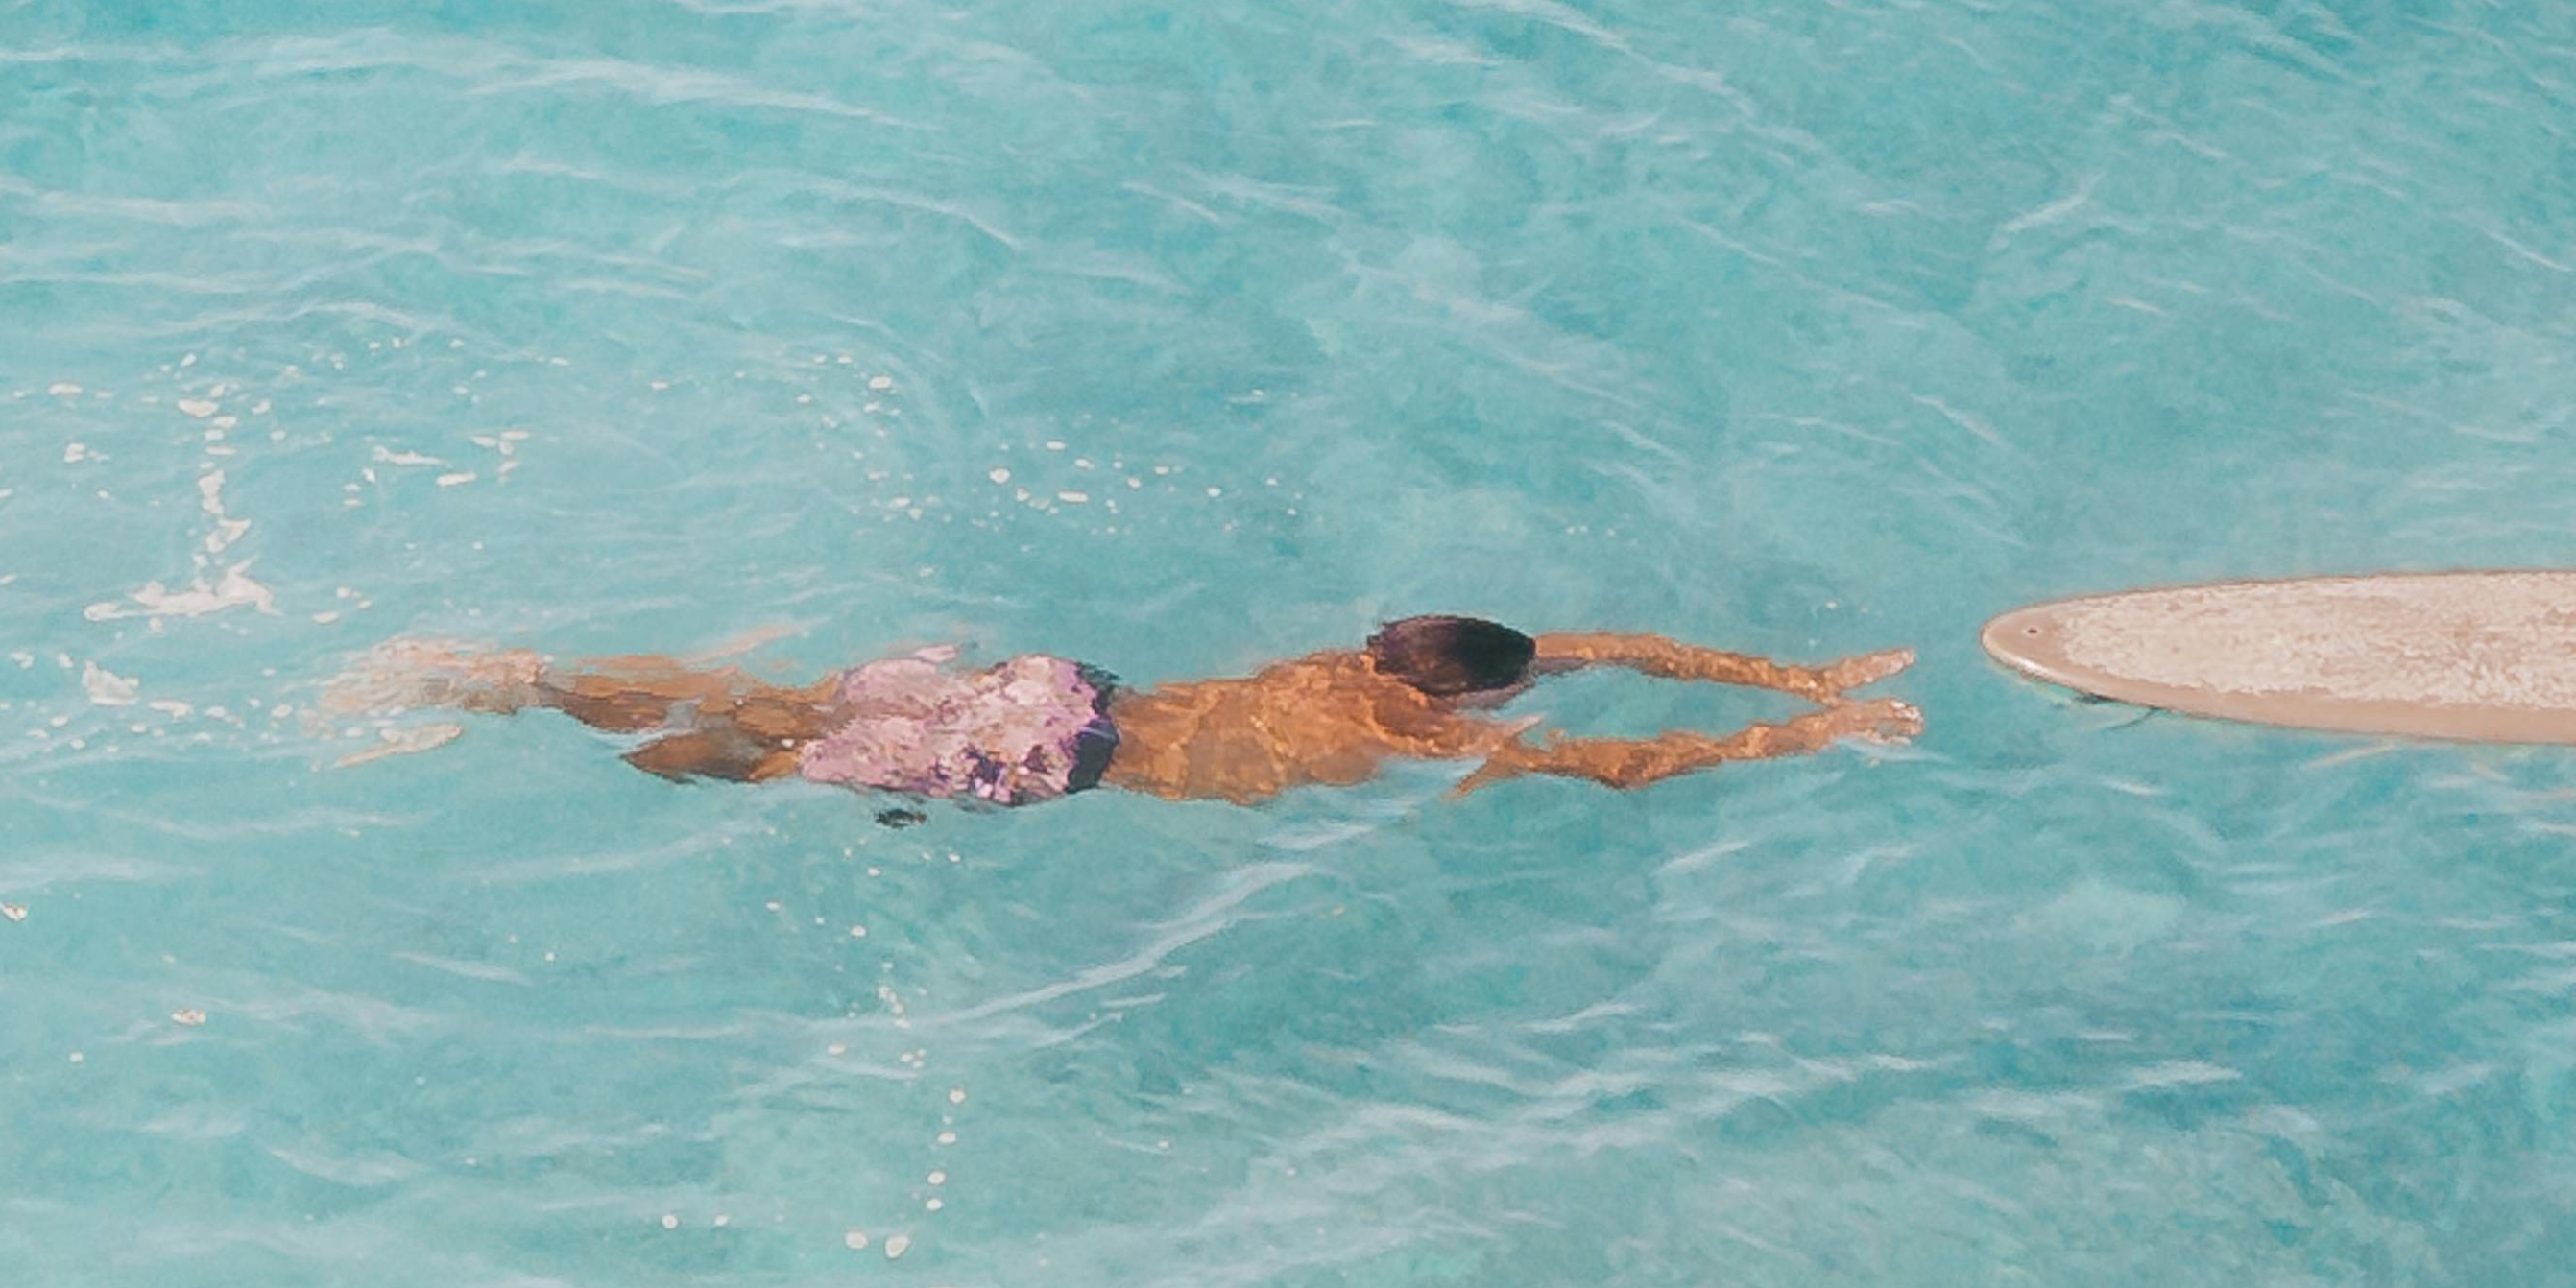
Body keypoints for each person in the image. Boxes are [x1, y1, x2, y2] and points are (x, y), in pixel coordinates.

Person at [327, 611, 1920, 809]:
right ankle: (523, 699)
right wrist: (1797, 728)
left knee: (785, 703)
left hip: (1062, 688)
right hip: (1051, 754)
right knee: (763, 765)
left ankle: (527, 666)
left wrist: (1796, 668)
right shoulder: (1423, 733)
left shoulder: (1365, 671)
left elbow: (1604, 641)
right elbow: (1613, 758)